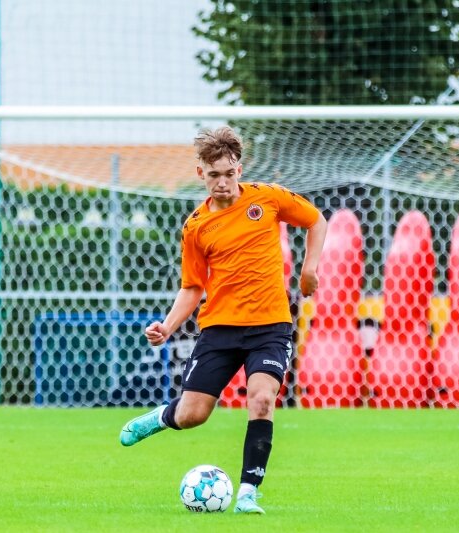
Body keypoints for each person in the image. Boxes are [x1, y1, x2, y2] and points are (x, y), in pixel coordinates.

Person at [119, 126, 326, 514]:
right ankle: (161, 417)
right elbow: (192, 287)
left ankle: (247, 493)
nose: (223, 182)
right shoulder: (196, 227)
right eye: (214, 175)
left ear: (239, 170)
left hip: (270, 327)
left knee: (261, 399)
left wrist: (309, 269)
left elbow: (316, 221)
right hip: (219, 329)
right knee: (192, 415)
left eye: (229, 173)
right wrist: (167, 326)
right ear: (201, 173)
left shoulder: (267, 198)